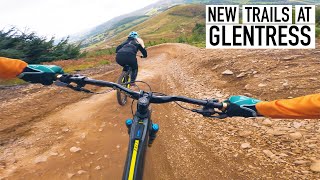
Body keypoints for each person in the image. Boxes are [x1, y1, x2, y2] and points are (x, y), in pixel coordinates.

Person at [0, 57, 319, 119]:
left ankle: (124, 83)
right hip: (129, 57)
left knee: (125, 69)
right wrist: (255, 108)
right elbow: (140, 54)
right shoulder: (137, 41)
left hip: (116, 58)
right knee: (134, 68)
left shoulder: (129, 40)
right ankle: (129, 77)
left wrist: (25, 71)